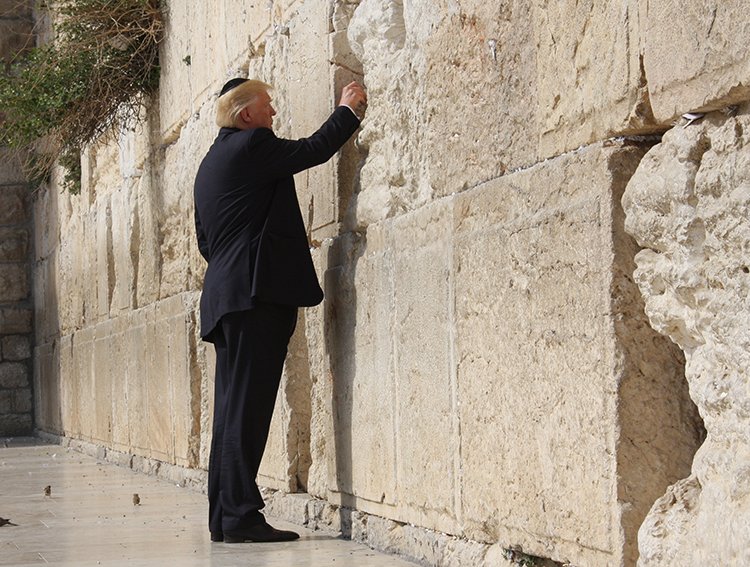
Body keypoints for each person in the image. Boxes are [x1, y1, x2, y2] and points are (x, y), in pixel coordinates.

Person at [193, 78, 367, 544]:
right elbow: (311, 151)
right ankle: (241, 517)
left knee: (231, 412)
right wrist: (347, 110)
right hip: (255, 297)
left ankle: (225, 517)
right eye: (266, 106)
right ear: (245, 114)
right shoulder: (253, 144)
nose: (273, 113)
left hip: (226, 297)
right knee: (247, 412)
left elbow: (206, 242)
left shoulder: (210, 164)